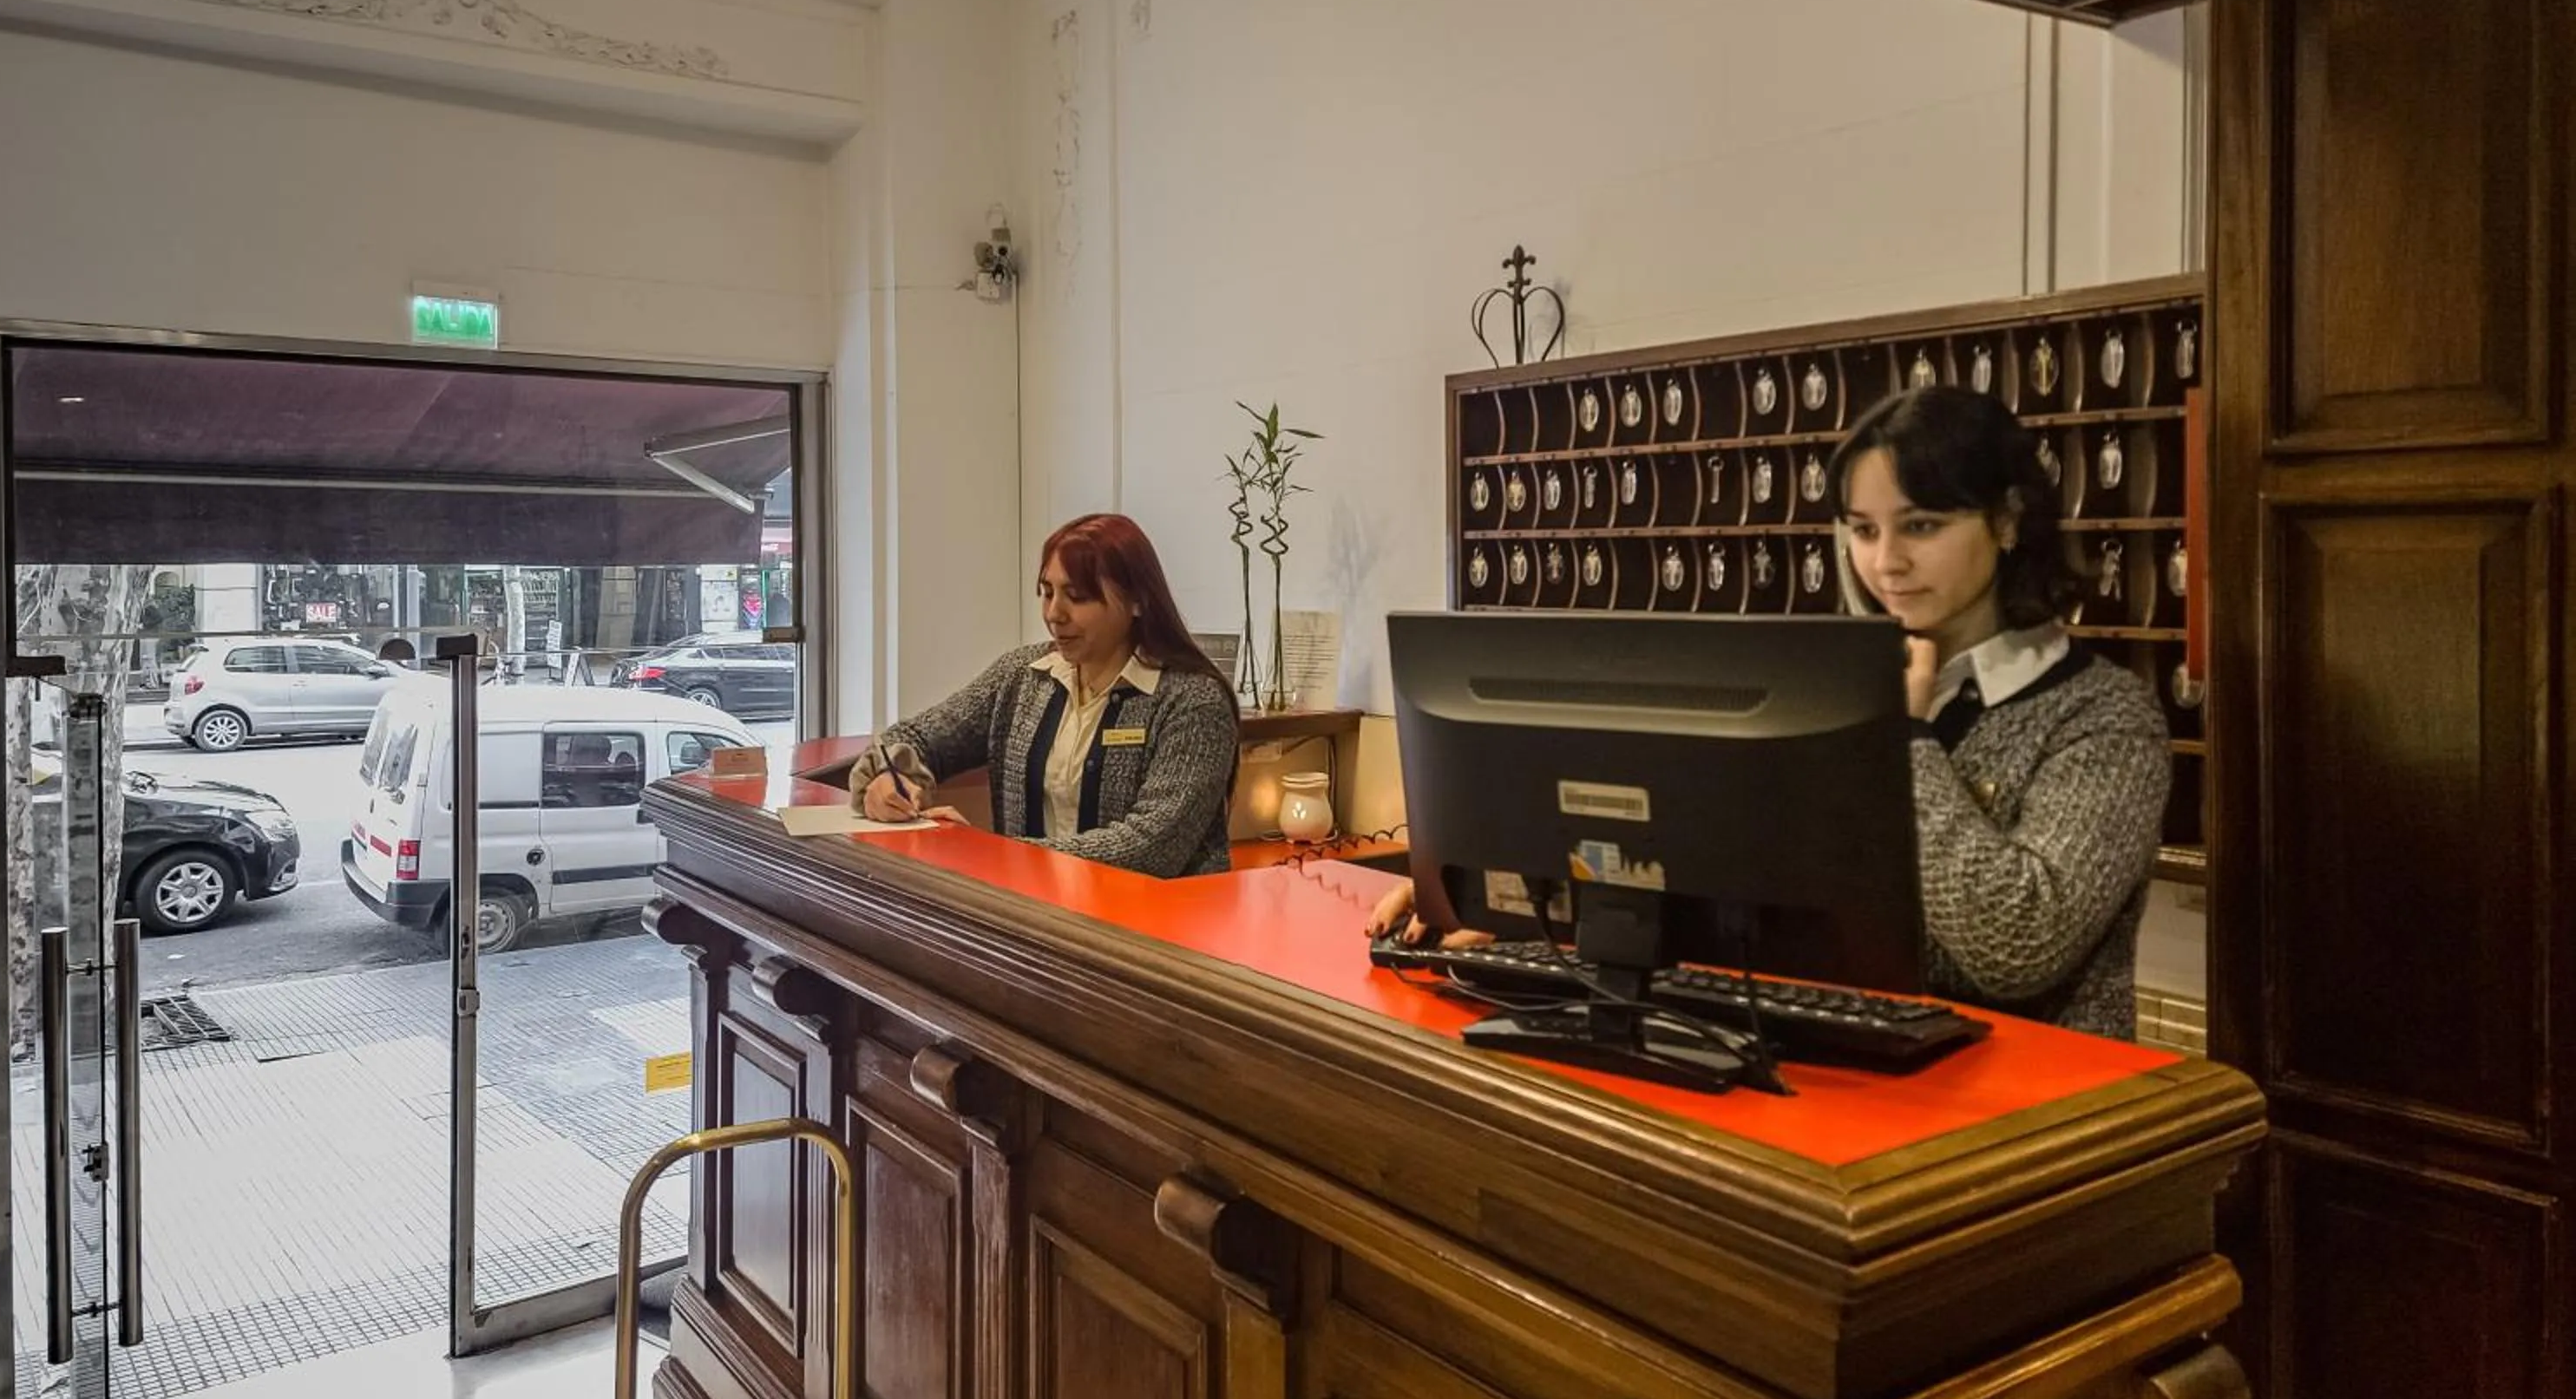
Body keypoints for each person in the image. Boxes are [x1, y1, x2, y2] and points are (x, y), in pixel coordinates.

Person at [1368, 386, 2168, 1039]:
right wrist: (1491, 903)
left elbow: (2015, 946)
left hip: (2030, 1114)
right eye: (1863, 530)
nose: (1886, 561)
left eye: (1922, 526)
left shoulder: (2104, 716)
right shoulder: (1823, 692)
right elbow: (1716, 884)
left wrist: (1908, 740)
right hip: (1835, 1075)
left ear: (2006, 520)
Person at [851, 513, 1242, 878]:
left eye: (1077, 596)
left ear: (1138, 600)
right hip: (1035, 919)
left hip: (1148, 933)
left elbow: (1151, 846)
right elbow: (917, 737)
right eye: (1047, 592)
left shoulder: (1193, 701)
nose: (1055, 613)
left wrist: (992, 854)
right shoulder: (1022, 676)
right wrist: (889, 776)